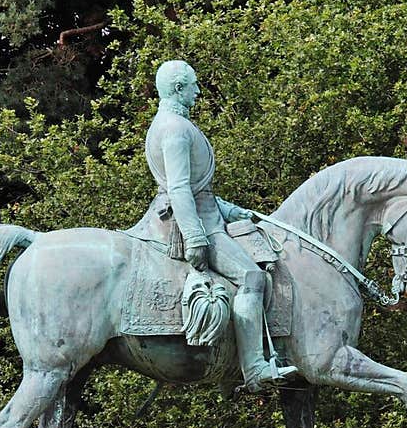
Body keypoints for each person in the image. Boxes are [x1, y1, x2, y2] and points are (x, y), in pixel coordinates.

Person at [127, 59, 297, 391]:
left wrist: (236, 212)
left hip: (209, 215)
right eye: (193, 86)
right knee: (251, 276)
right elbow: (178, 190)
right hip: (198, 224)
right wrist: (195, 237)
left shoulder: (170, 125)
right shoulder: (174, 129)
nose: (198, 91)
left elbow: (198, 192)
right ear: (179, 88)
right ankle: (255, 368)